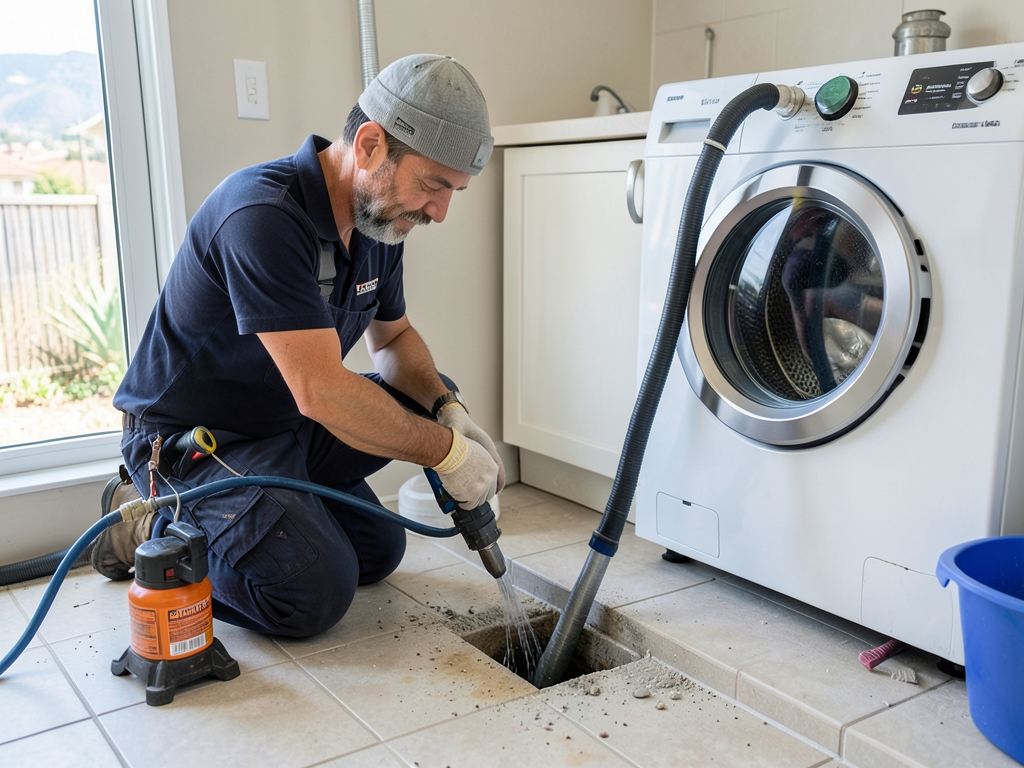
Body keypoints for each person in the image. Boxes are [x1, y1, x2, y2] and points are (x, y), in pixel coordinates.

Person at [90, 54, 505, 638]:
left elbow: (395, 339)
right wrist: (445, 455)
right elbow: (319, 390)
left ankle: (274, 513)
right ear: (369, 145)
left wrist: (449, 413)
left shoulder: (380, 221)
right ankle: (146, 521)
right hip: (196, 441)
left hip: (283, 424)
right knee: (311, 593)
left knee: (378, 550)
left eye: (453, 191)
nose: (439, 210)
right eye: (434, 185)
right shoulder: (262, 215)